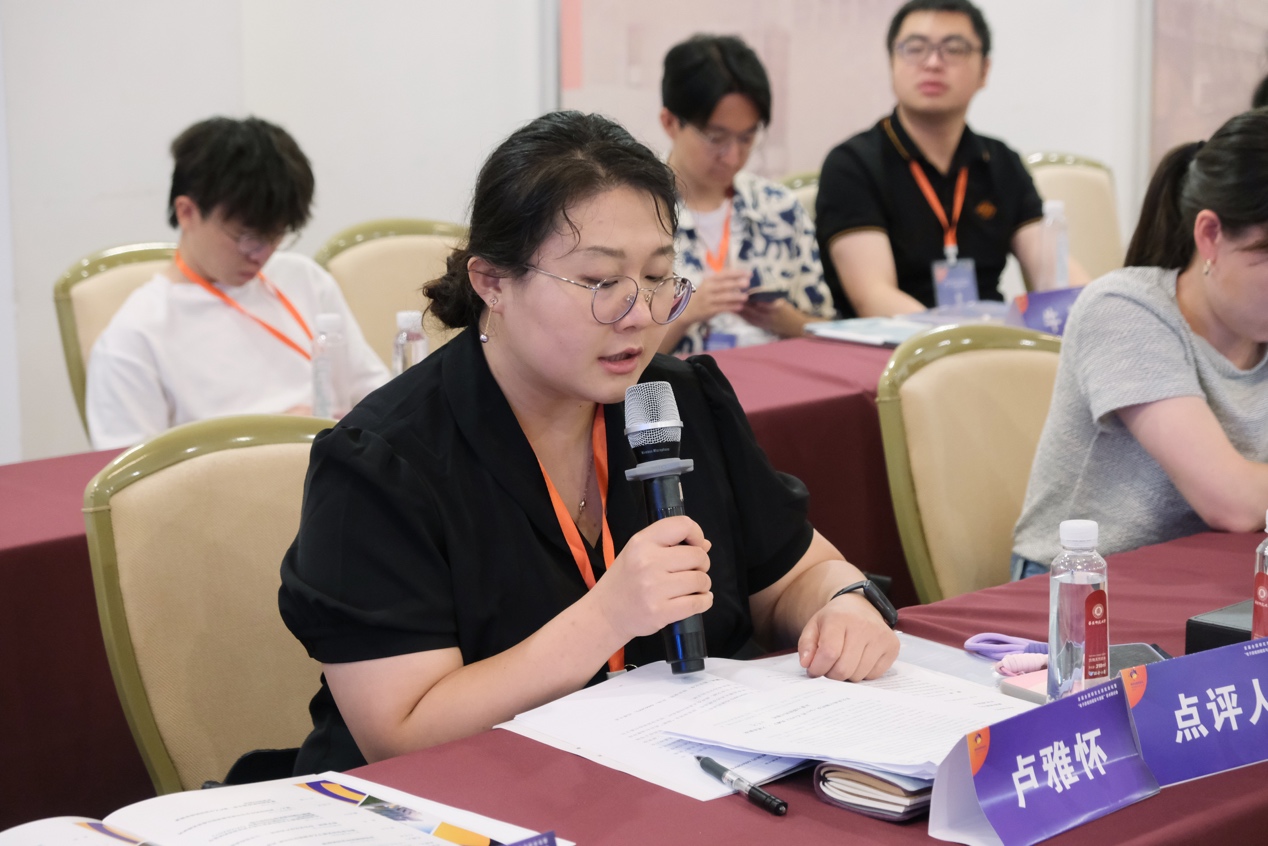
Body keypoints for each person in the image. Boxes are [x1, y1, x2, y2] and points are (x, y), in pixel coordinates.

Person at [279, 111, 899, 774]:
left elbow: (796, 573)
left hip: (667, 779)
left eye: (657, 278)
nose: (640, 315)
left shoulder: (675, 400)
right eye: (602, 284)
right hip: (462, 800)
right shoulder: (383, 463)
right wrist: (607, 617)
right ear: (492, 283)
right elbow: (401, 735)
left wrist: (844, 605)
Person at [1011, 108, 1268, 578]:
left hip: (1215, 578)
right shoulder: (1124, 310)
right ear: (1210, 235)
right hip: (1082, 588)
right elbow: (1231, 502)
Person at [85, 116, 388, 449]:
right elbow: (132, 474)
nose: (262, 255)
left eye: (277, 234)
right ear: (186, 212)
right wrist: (275, 438)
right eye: (247, 236)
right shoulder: (134, 338)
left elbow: (377, 396)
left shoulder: (306, 280)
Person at [816, 0, 1073, 318]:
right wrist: (959, 340)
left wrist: (1096, 308)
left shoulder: (1000, 161)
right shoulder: (853, 164)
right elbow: (873, 297)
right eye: (915, 48)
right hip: (895, 342)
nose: (933, 62)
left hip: (988, 337)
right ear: (892, 63)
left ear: (984, 71)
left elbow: (1054, 275)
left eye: (954, 49)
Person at [656, 35, 834, 354]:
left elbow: (829, 333)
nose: (733, 156)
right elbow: (612, 350)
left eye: (747, 138)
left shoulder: (778, 208)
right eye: (716, 138)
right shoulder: (641, 211)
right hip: (678, 382)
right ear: (670, 123)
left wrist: (786, 321)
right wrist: (687, 315)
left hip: (777, 374)